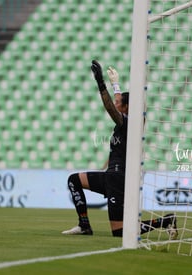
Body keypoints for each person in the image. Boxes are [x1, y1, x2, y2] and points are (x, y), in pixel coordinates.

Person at [62, 60, 178, 239]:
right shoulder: (131, 120)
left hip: (118, 179)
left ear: (127, 108)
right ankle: (84, 224)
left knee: (120, 233)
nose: (116, 104)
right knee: (74, 180)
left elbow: (110, 107)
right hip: (112, 175)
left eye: (120, 104)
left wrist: (101, 83)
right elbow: (118, 102)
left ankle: (165, 221)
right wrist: (115, 83)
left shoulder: (128, 122)